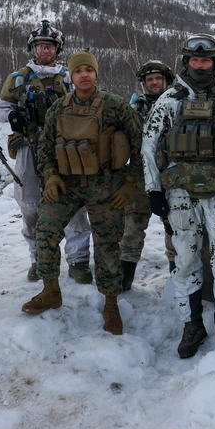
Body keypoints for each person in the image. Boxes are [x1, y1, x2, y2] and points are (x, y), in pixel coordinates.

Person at [143, 34, 215, 358]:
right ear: (186, 61)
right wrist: (154, 190)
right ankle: (192, 324)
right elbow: (148, 146)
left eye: (206, 60)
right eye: (195, 61)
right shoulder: (168, 100)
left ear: (214, 62)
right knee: (185, 261)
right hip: (180, 193)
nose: (200, 66)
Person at [21, 51, 144, 335]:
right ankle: (51, 290)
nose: (84, 75)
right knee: (45, 230)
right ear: (71, 76)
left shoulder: (116, 107)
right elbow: (45, 147)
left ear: (96, 74)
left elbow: (140, 147)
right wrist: (50, 177)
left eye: (89, 70)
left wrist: (128, 186)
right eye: (79, 71)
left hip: (106, 187)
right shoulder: (59, 108)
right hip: (67, 184)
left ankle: (110, 303)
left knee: (108, 247)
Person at [0, 20, 93, 284]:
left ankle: (78, 259)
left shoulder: (69, 76)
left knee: (74, 203)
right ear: (33, 48)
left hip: (66, 149)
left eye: (49, 46)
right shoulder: (20, 78)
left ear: (57, 49)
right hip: (29, 147)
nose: (45, 50)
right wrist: (15, 115)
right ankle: (40, 259)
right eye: (40, 46)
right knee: (29, 205)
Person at [119, 60, 178, 289]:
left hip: (172, 175)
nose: (154, 83)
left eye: (158, 79)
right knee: (132, 226)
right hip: (142, 175)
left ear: (165, 80)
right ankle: (124, 280)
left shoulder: (177, 104)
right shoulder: (136, 108)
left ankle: (178, 278)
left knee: (175, 226)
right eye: (150, 79)